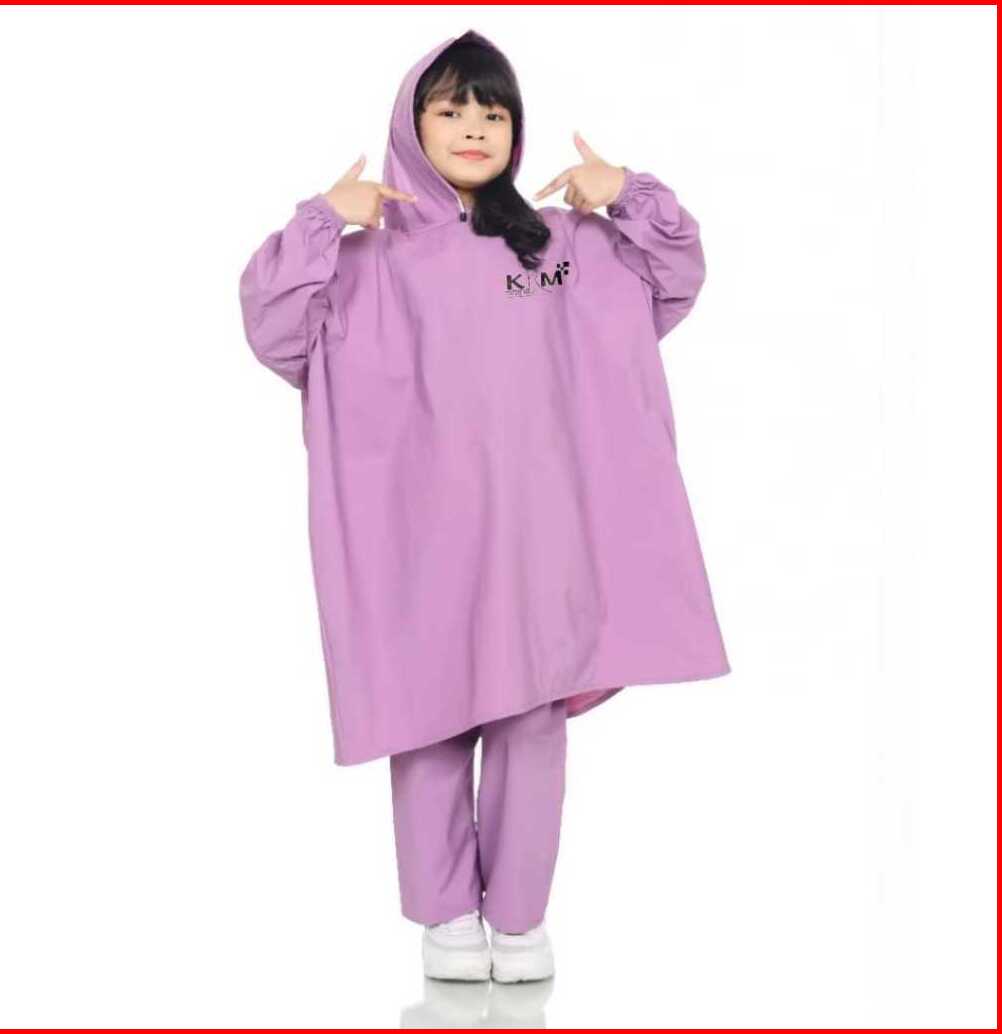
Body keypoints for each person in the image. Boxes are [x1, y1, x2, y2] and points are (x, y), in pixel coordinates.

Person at [238, 28, 730, 983]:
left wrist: (626, 195)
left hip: (539, 537)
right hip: (413, 534)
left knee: (528, 721)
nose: (473, 127)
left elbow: (670, 282)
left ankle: (518, 917)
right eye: (451, 108)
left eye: (493, 111)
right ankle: (445, 918)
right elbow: (275, 328)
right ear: (411, 125)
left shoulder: (561, 249)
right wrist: (320, 221)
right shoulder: (362, 265)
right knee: (425, 718)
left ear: (516, 130)